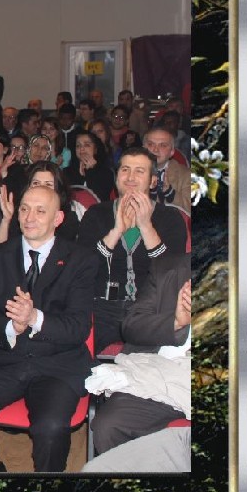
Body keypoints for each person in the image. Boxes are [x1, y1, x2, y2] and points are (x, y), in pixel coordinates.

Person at [0, 186, 99, 472]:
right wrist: (10, 327)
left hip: (57, 364)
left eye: (40, 211)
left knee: (50, 427)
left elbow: (79, 328)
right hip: (2, 360)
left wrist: (34, 318)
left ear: (58, 219)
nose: (30, 217)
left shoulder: (81, 260)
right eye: (25, 209)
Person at [77, 147, 189, 352]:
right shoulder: (96, 214)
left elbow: (171, 277)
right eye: (125, 170)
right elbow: (83, 268)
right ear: (117, 177)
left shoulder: (170, 218)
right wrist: (115, 232)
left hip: (148, 312)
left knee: (141, 364)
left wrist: (147, 227)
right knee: (73, 356)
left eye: (139, 171)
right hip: (101, 309)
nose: (130, 177)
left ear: (153, 181)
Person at [89, 253, 190, 456]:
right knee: (109, 425)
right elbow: (132, 326)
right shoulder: (168, 267)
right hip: (159, 374)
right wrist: (176, 323)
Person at [0, 161, 82, 246]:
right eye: (36, 183)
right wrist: (6, 220)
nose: (41, 188)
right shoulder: (19, 213)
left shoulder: (68, 219)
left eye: (48, 185)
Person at [144, 127, 190, 214]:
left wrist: (170, 192)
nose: (155, 150)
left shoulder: (186, 175)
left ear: (172, 152)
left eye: (163, 145)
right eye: (151, 144)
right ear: (143, 148)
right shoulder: (130, 172)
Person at [64, 131, 115, 200]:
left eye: (87, 145)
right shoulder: (66, 172)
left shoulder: (106, 173)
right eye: (78, 146)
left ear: (95, 149)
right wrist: (81, 175)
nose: (81, 149)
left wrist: (91, 171)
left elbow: (100, 197)